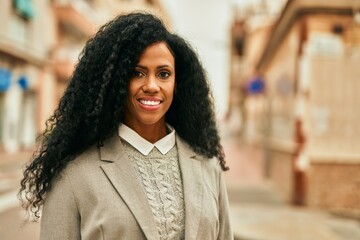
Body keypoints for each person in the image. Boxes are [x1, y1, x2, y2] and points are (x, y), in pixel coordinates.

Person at [19, 12, 233, 240]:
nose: (151, 85)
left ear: (176, 83)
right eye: (137, 73)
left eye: (163, 74)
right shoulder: (73, 174)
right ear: (116, 81)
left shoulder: (208, 167)